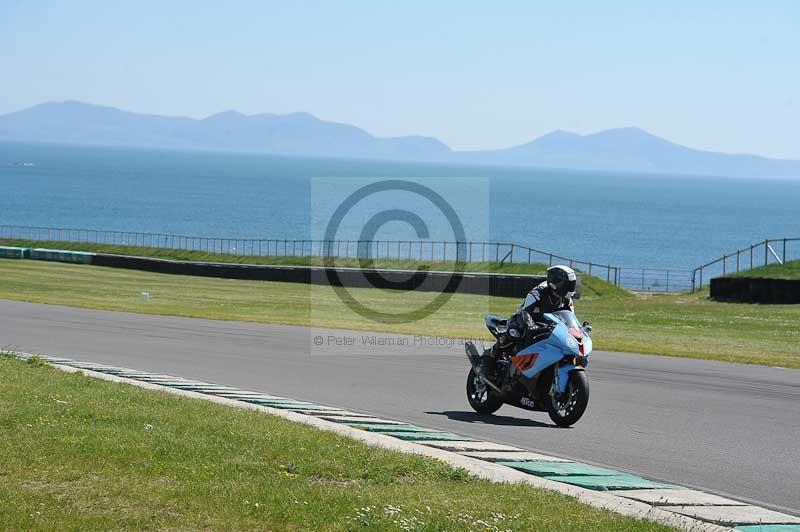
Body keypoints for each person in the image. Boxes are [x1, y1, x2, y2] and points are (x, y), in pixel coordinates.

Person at [477, 265, 578, 376]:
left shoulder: (566, 300)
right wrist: (530, 325)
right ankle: (488, 361)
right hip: (524, 321)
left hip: (548, 327)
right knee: (513, 334)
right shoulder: (539, 292)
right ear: (556, 282)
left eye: (572, 284)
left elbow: (570, 317)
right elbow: (525, 312)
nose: (571, 288)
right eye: (568, 284)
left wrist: (577, 330)